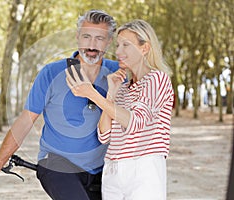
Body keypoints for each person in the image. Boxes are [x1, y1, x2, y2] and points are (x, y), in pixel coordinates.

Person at [0, 9, 118, 200]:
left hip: (104, 170)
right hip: (57, 165)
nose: (92, 45)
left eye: (100, 38)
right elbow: (25, 122)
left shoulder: (118, 74)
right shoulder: (51, 73)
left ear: (109, 41)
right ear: (77, 37)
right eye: (86, 36)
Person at [66, 19, 174, 200]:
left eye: (126, 45)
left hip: (144, 168)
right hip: (113, 169)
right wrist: (111, 94)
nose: (117, 52)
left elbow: (135, 122)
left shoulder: (157, 79)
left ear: (144, 48)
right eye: (118, 45)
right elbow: (104, 135)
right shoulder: (123, 87)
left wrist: (92, 94)